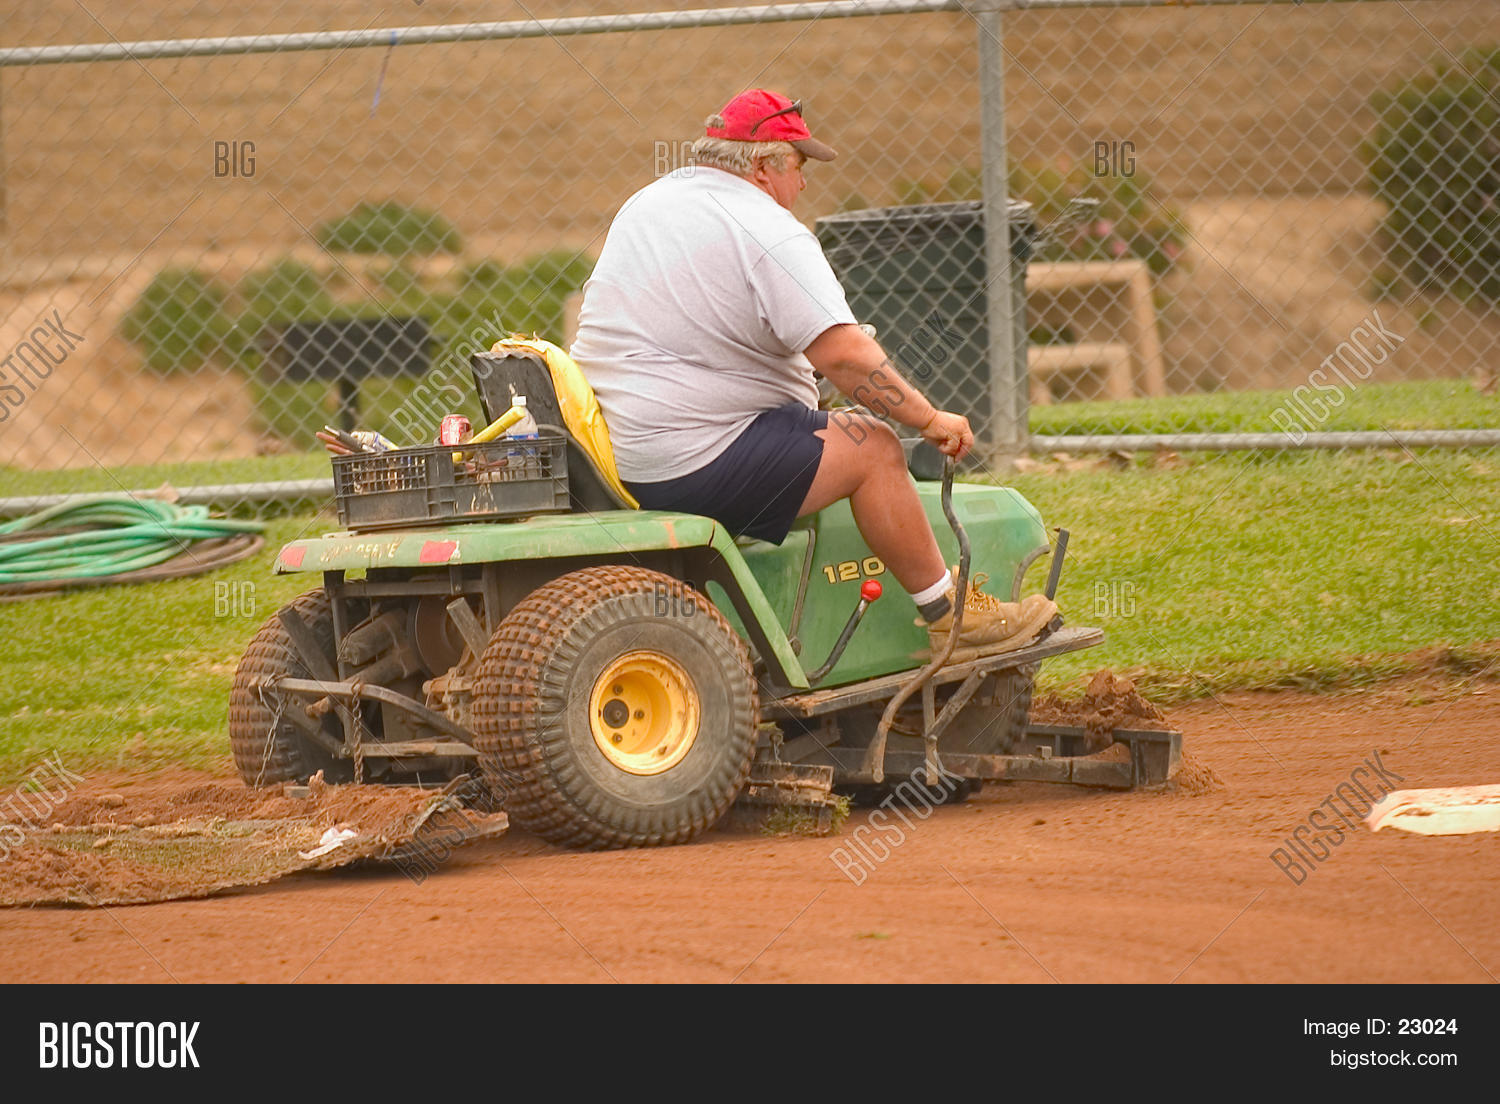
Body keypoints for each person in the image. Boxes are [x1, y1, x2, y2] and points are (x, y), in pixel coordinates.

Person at [570, 89, 1056, 655]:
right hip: (690, 460)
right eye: (798, 166)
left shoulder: (650, 202)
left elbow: (700, 323)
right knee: (873, 445)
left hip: (616, 455)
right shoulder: (768, 226)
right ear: (760, 166)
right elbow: (845, 357)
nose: (802, 184)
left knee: (831, 425)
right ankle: (951, 618)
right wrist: (928, 419)